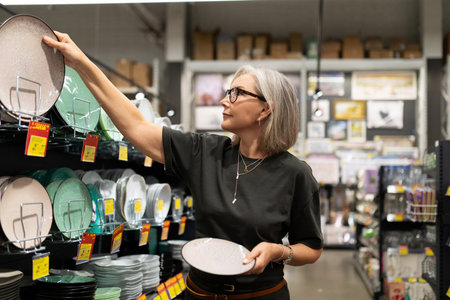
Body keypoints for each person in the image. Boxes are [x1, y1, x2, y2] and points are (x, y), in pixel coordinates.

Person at [43, 32, 323, 300]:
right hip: (200, 294)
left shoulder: (295, 174)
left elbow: (310, 247)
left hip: (260, 296)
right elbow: (136, 125)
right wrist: (82, 63)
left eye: (237, 93)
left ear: (265, 109)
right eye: (228, 91)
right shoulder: (206, 152)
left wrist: (278, 251)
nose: (225, 100)